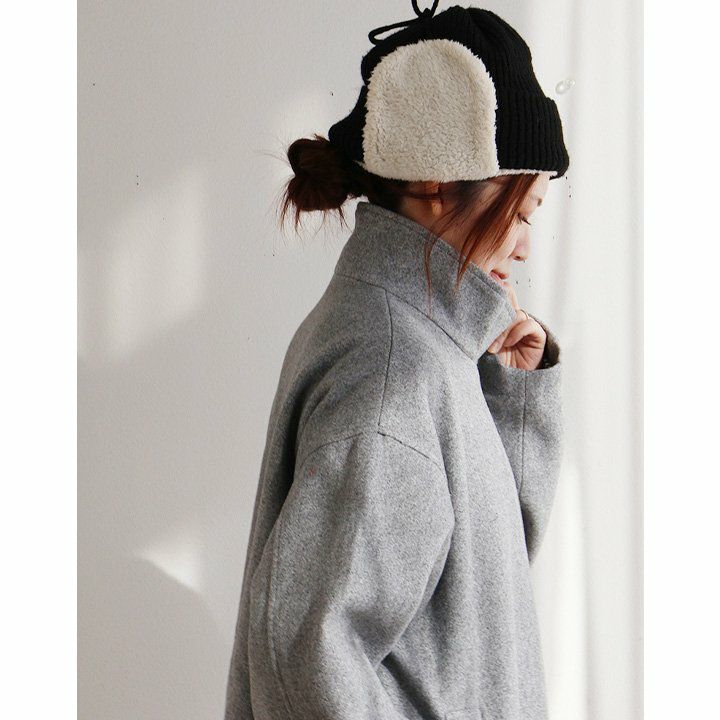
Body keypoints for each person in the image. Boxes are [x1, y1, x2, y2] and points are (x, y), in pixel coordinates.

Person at [224, 4, 570, 720]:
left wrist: (509, 394)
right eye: (521, 212)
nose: (525, 245)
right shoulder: (394, 373)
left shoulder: (416, 348)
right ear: (437, 180)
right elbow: (306, 654)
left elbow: (477, 598)